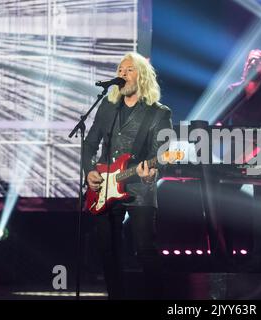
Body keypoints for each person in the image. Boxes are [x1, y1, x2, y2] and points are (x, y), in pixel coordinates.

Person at [83, 52, 172, 299]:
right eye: (120, 69)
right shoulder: (108, 107)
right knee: (108, 251)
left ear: (142, 76)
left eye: (129, 69)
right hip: (104, 187)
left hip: (139, 188)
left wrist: (150, 173)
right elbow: (90, 144)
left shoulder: (158, 112)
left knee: (145, 251)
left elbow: (162, 155)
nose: (122, 73)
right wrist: (89, 170)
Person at [218, 49, 261, 269]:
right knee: (223, 202)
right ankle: (226, 254)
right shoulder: (232, 91)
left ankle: (260, 257)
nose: (251, 63)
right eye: (249, 60)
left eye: (258, 60)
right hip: (234, 156)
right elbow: (220, 122)